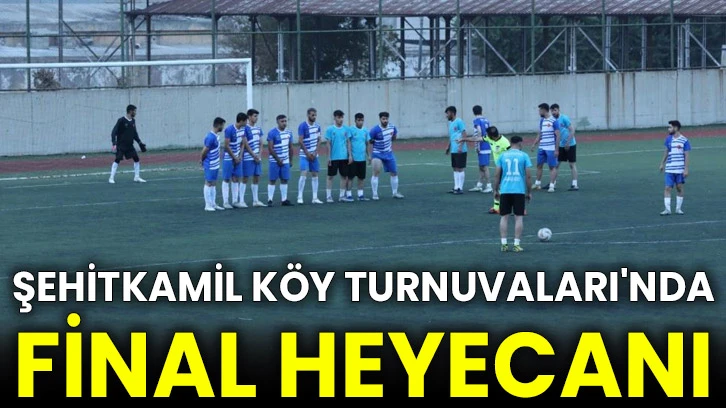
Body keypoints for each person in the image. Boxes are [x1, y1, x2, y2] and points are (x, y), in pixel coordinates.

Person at [492, 136, 533, 252]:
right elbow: (528, 176)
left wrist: (495, 190)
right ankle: (516, 244)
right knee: (518, 217)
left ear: (510, 143)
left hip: (505, 190)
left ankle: (504, 244)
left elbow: (497, 175)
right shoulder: (524, 156)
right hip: (518, 190)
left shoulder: (503, 155)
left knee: (504, 217)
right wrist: (529, 192)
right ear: (520, 143)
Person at [369, 112, 404, 200]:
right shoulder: (375, 130)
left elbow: (394, 137)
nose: (385, 120)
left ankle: (395, 193)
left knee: (394, 172)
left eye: (386, 119)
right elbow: (369, 141)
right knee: (376, 172)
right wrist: (370, 154)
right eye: (383, 119)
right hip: (377, 153)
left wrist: (392, 138)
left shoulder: (392, 127)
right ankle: (375, 194)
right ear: (380, 119)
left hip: (388, 153)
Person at [659, 120, 690, 215]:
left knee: (679, 187)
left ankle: (678, 209)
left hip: (679, 169)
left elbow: (686, 155)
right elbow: (666, 151)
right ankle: (667, 209)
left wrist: (686, 169)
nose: (668, 129)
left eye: (670, 127)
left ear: (676, 128)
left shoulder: (684, 140)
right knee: (667, 188)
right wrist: (662, 163)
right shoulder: (668, 139)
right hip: (669, 169)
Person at [109, 104, 146, 184]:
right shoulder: (121, 120)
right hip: (121, 145)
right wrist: (114, 143)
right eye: (134, 111)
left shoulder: (133, 121)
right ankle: (111, 178)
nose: (135, 113)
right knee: (117, 160)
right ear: (130, 111)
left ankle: (137, 177)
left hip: (130, 145)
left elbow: (134, 134)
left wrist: (140, 143)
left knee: (136, 159)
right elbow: (113, 132)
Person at [530, 103, 560, 192]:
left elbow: (558, 135)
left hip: (551, 148)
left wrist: (556, 149)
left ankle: (552, 185)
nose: (539, 112)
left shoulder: (554, 121)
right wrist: (534, 144)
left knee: (552, 167)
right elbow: (540, 133)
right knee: (539, 165)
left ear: (544, 110)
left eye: (540, 110)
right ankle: (537, 184)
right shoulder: (542, 121)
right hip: (542, 147)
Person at [324, 110, 353, 203]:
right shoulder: (330, 129)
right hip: (333, 157)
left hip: (344, 157)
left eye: (342, 117)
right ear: (335, 118)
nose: (341, 119)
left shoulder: (346, 129)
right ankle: (328, 196)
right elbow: (328, 143)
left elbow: (348, 142)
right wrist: (329, 157)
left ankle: (342, 196)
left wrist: (350, 155)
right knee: (330, 176)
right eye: (339, 117)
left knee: (344, 176)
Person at [297, 108, 324, 204]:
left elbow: (319, 140)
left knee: (315, 174)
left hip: (314, 155)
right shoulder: (302, 126)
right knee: (304, 173)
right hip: (304, 155)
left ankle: (315, 198)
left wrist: (315, 152)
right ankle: (300, 196)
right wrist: (307, 153)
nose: (314, 117)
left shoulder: (317, 126)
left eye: (315, 115)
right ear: (308, 115)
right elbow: (300, 141)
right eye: (312, 115)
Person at [267, 114, 295, 207]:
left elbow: (291, 147)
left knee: (284, 179)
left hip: (285, 161)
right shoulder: (272, 133)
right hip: (274, 161)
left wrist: (290, 160)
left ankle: (284, 200)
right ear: (277, 122)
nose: (284, 123)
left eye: (285, 121)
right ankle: (270, 200)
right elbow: (270, 148)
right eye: (282, 121)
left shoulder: (289, 133)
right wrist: (278, 159)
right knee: (272, 180)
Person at [200, 117, 226, 212]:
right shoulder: (210, 137)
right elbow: (204, 151)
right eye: (222, 125)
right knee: (208, 182)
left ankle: (213, 203)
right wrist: (202, 160)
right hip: (210, 163)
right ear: (218, 125)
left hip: (215, 163)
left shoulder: (216, 136)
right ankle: (207, 205)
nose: (223, 127)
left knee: (214, 183)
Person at [241, 108, 265, 207]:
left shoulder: (258, 129)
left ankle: (255, 200)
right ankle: (241, 200)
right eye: (255, 116)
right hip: (248, 157)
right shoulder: (245, 128)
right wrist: (253, 155)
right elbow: (245, 144)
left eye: (257, 116)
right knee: (245, 178)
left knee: (256, 177)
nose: (256, 118)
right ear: (249, 117)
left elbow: (261, 143)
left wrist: (259, 155)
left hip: (257, 157)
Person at [551, 103, 578, 191]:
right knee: (556, 165)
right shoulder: (552, 120)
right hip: (560, 145)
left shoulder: (564, 118)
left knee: (571, 164)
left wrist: (568, 142)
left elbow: (572, 130)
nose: (553, 112)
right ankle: (552, 184)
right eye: (552, 111)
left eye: (555, 110)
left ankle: (574, 184)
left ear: (558, 110)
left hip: (570, 144)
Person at [221, 112, 245, 209]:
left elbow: (243, 143)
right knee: (226, 179)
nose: (246, 123)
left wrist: (240, 156)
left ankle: (235, 201)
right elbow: (226, 146)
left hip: (238, 158)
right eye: (245, 121)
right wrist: (234, 157)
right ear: (241, 121)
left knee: (236, 178)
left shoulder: (242, 130)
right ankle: (225, 202)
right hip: (229, 158)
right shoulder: (229, 129)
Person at [444, 106, 468, 195]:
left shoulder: (459, 121)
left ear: (452, 113)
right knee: (455, 168)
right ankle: (456, 187)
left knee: (460, 168)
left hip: (460, 149)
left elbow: (464, 134)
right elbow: (452, 136)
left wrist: (460, 146)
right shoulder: (451, 123)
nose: (446, 115)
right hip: (454, 149)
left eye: (447, 113)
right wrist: (448, 146)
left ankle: (460, 188)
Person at [469, 105, 493, 193]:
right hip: (487, 143)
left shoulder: (477, 120)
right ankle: (479, 185)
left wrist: (477, 145)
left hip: (482, 145)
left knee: (485, 167)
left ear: (473, 112)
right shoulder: (486, 120)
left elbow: (479, 131)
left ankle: (489, 185)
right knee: (481, 166)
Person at [348, 113, 372, 201]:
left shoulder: (365, 131)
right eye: (358, 120)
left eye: (362, 120)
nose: (360, 122)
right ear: (355, 121)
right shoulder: (351, 130)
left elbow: (367, 144)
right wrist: (350, 155)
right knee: (350, 177)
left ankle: (360, 195)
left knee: (361, 177)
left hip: (362, 159)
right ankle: (349, 195)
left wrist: (369, 155)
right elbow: (349, 143)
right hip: (353, 159)